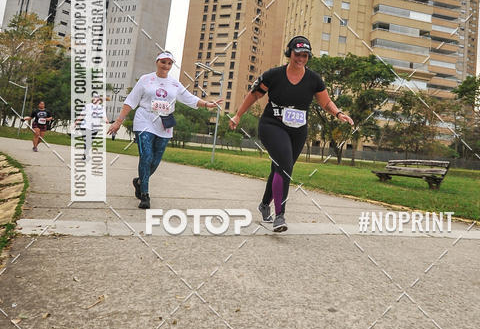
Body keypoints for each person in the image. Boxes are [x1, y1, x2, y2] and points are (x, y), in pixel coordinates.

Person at [229, 36, 354, 232]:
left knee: (280, 168)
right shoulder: (274, 75)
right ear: (290, 53)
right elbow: (254, 95)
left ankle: (264, 204)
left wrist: (338, 113)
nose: (301, 59)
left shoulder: (314, 79)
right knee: (285, 166)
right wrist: (238, 115)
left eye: (305, 55)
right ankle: (280, 215)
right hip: (272, 125)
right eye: (297, 54)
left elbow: (325, 102)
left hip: (298, 130)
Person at [107, 51, 222, 209]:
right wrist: (118, 121)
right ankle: (145, 195)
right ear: (157, 62)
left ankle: (139, 182)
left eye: (169, 63)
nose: (166, 66)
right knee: (146, 157)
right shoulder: (145, 79)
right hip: (145, 120)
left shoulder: (174, 84)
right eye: (163, 62)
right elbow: (131, 100)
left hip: (164, 123)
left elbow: (189, 98)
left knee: (155, 161)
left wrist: (207, 104)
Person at [75, 95, 109, 160]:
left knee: (89, 142)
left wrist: (106, 120)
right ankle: (85, 154)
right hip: (85, 126)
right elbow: (82, 115)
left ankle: (85, 153)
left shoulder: (101, 108)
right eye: (94, 98)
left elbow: (104, 116)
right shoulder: (87, 106)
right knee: (87, 140)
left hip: (95, 128)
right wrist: (76, 122)